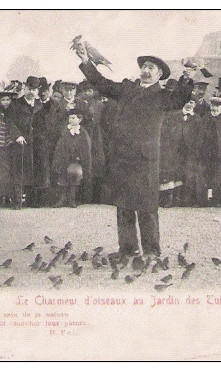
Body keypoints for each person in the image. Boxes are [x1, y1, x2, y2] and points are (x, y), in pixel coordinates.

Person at [75, 44, 194, 258]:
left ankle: (151, 251)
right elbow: (102, 84)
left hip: (146, 158)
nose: (146, 70)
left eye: (152, 68)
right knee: (123, 205)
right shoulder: (127, 89)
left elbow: (180, 99)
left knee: (147, 205)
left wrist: (187, 76)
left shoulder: (163, 96)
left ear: (159, 75)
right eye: (145, 66)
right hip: (122, 156)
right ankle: (128, 249)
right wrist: (86, 61)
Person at [9, 76, 43, 208]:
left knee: (34, 170)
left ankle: (31, 201)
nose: (31, 92)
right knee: (19, 170)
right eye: (29, 89)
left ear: (37, 91)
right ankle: (17, 201)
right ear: (25, 88)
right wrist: (17, 135)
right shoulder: (15, 104)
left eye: (34, 90)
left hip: (36, 143)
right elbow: (10, 122)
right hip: (20, 142)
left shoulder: (40, 105)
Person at [51, 110, 92, 208]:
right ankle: (62, 199)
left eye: (73, 118)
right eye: (69, 118)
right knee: (62, 174)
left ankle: (72, 199)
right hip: (64, 159)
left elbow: (85, 148)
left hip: (76, 161)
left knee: (74, 174)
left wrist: (79, 157)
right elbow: (60, 146)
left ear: (80, 120)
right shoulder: (65, 130)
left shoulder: (82, 132)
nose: (71, 120)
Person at [204, 96, 221, 206]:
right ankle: (206, 199)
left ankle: (218, 199)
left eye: (218, 106)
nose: (215, 108)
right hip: (207, 153)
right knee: (207, 175)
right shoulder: (205, 119)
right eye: (213, 105)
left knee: (219, 176)